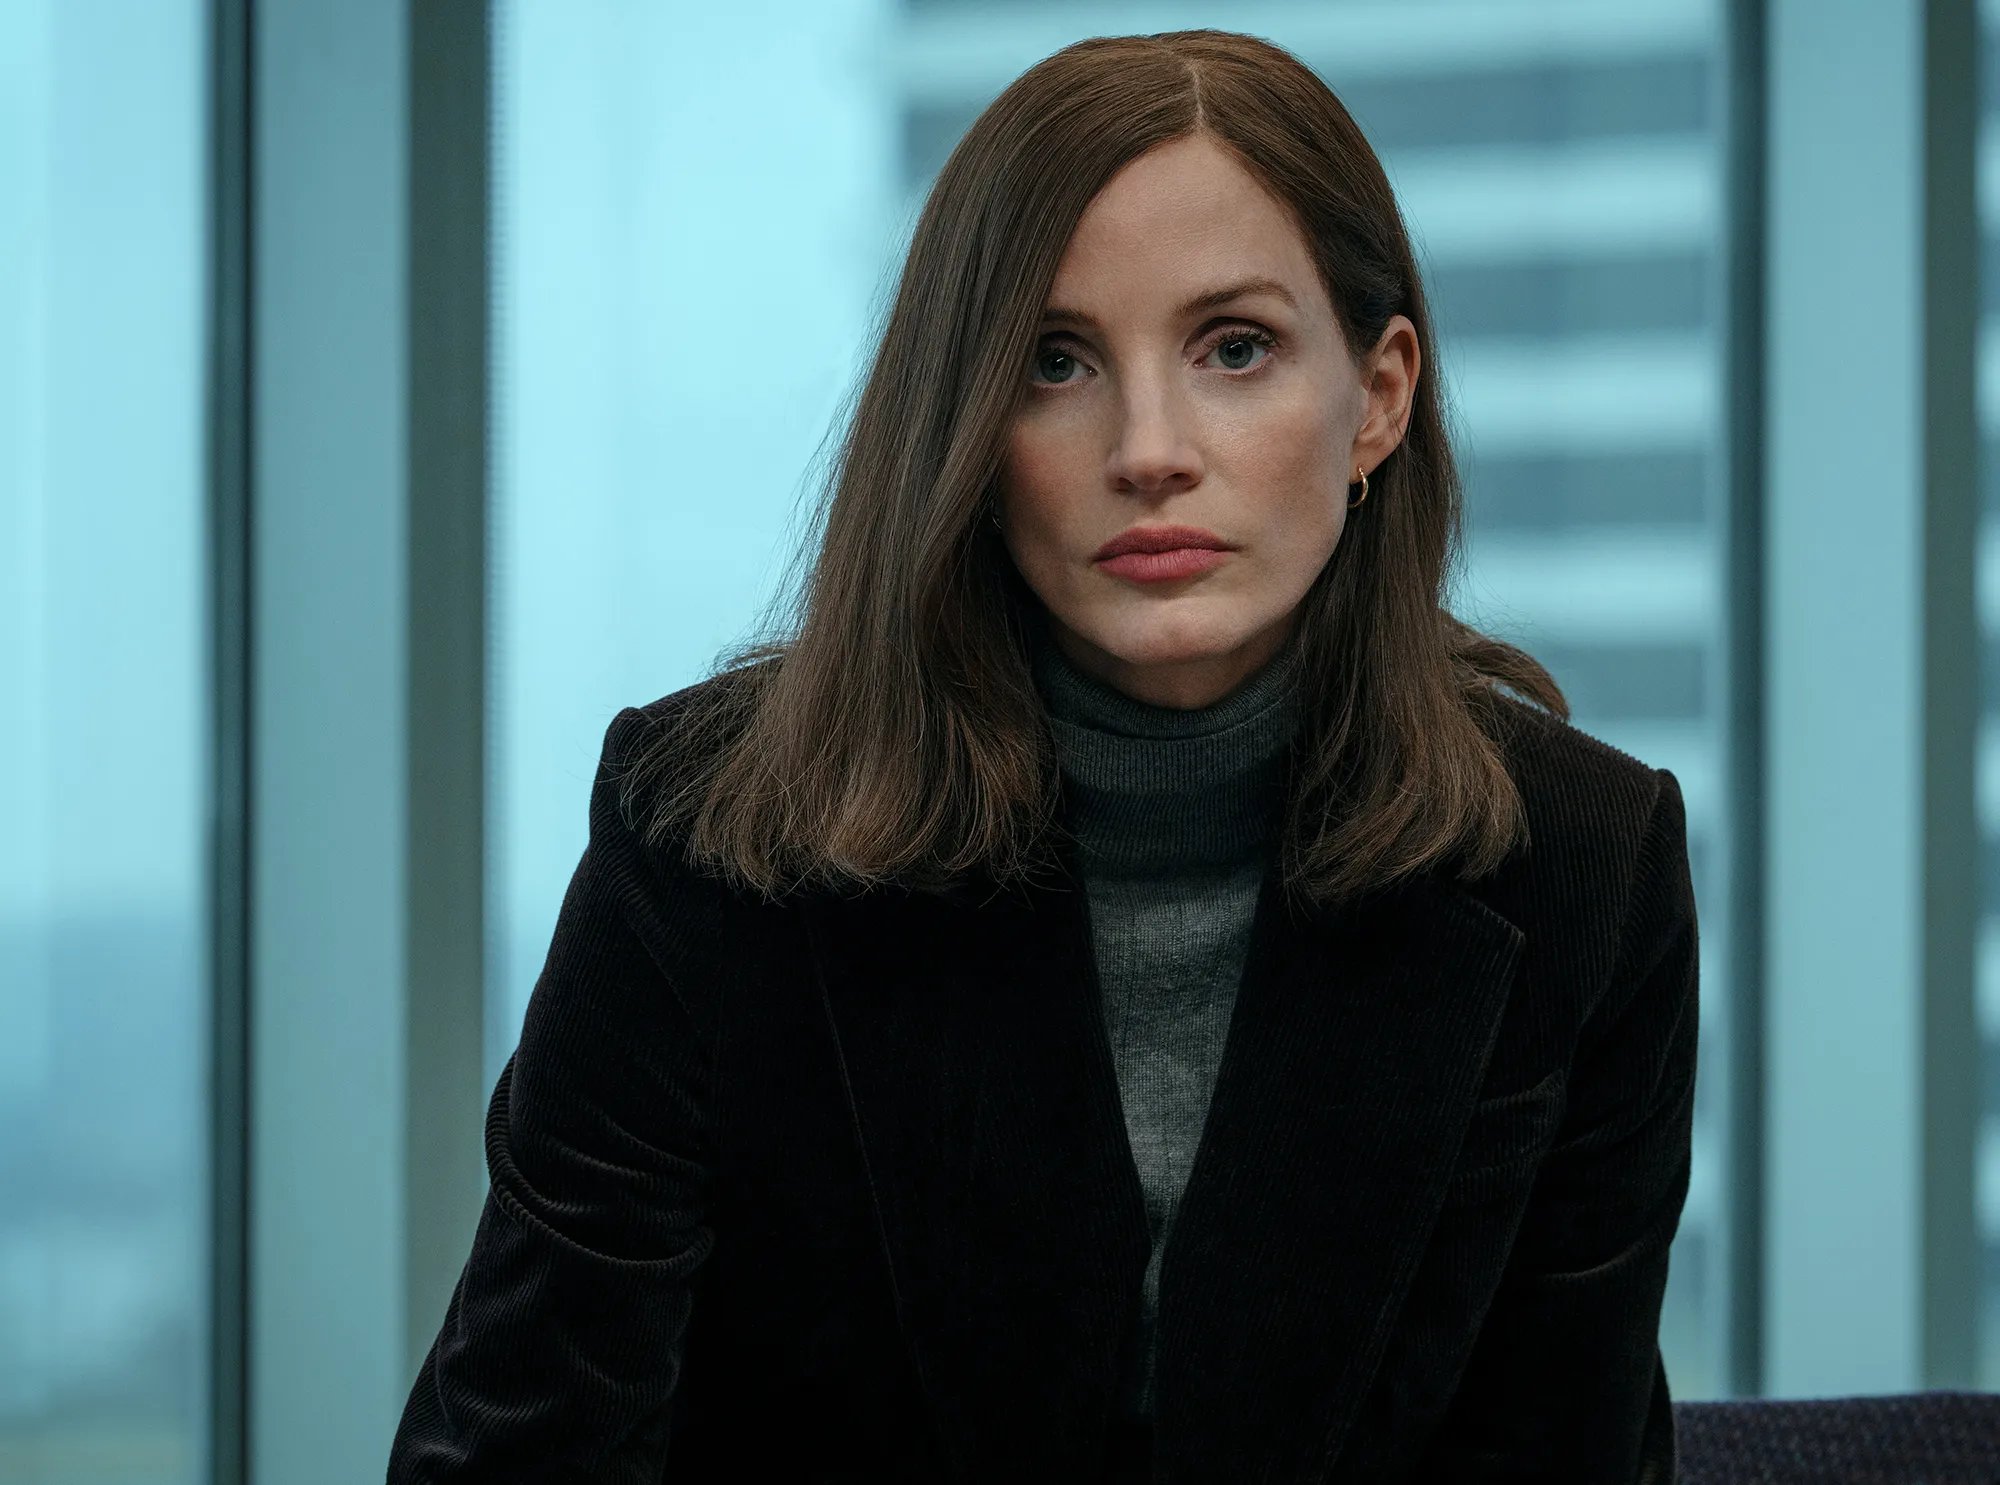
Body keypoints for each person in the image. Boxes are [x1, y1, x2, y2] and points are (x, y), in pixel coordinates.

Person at [389, 29, 1693, 1485]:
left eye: (1235, 348)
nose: (1150, 448)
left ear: (1378, 398)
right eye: (1054, 362)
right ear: (967, 424)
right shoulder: (708, 836)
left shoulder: (1585, 865)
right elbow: (516, 1453)